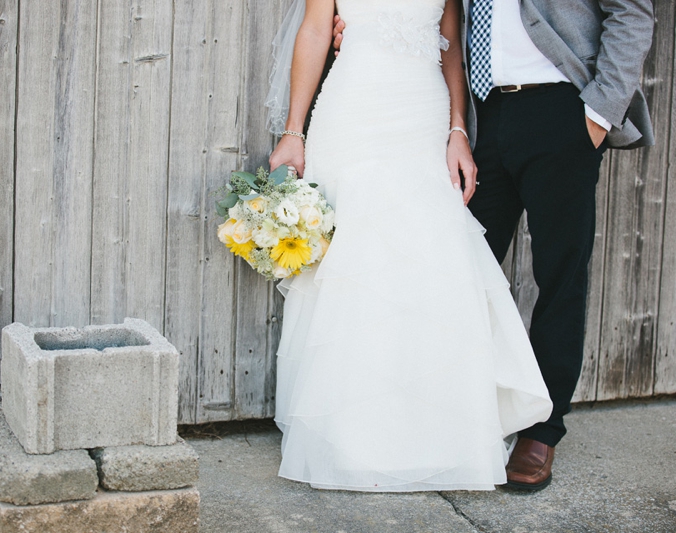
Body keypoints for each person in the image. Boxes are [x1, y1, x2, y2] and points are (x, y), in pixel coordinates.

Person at [330, 0, 655, 491]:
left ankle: (542, 432)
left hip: (562, 108)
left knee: (560, 275)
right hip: (484, 116)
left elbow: (632, 13)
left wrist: (598, 114)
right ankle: (451, 413)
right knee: (453, 265)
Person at [267, 0, 552, 492]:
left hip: (422, 113)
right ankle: (348, 438)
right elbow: (315, 31)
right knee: (354, 266)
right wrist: (294, 131)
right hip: (353, 107)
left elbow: (452, 50)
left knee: (426, 263)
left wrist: (458, 130)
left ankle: (439, 437)